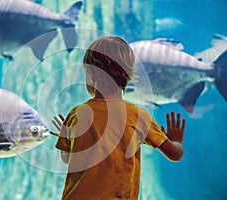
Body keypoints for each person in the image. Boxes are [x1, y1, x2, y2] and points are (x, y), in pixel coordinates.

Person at [50, 36, 185, 200]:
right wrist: (175, 141)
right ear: (129, 75)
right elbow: (174, 155)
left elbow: (67, 160)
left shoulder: (77, 114)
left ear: (91, 73)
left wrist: (67, 139)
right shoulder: (138, 116)